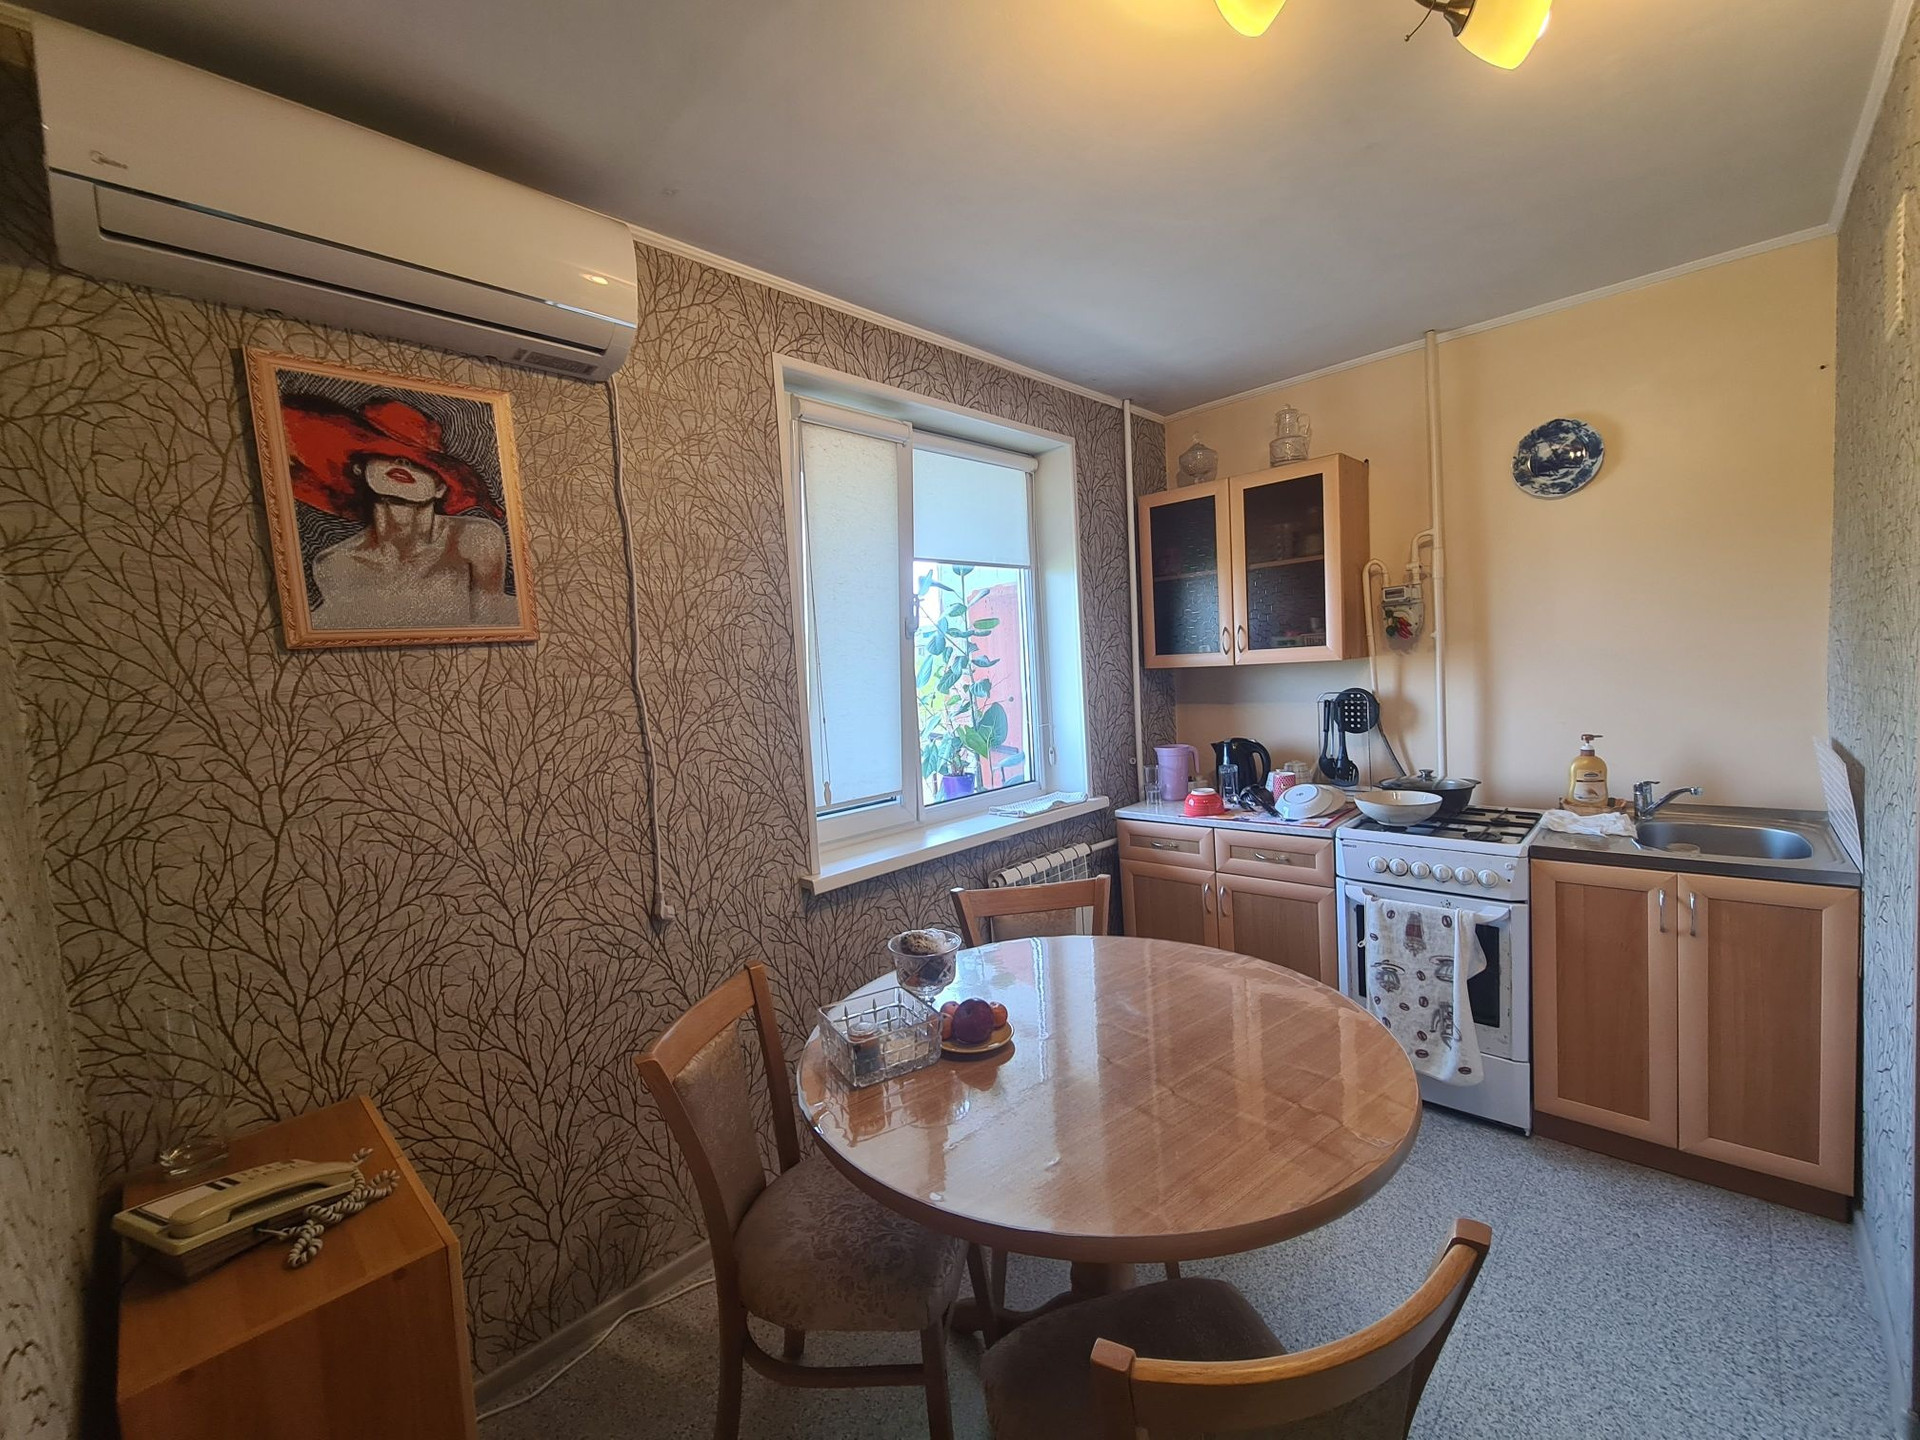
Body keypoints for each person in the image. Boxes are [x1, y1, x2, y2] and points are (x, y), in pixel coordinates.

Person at [279, 392, 519, 630]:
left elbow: (491, 629)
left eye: (421, 461)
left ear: (440, 488)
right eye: (386, 452)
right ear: (360, 468)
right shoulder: (336, 564)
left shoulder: (476, 540)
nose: (403, 462)